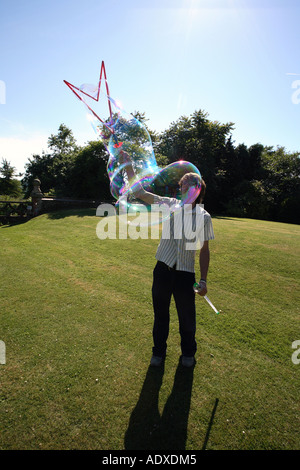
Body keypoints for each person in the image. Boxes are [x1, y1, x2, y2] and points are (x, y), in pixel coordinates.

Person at [119, 151, 214, 367]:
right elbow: (140, 192)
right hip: (162, 270)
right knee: (160, 316)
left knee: (187, 320)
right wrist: (128, 166)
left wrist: (204, 280)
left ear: (198, 191)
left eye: (189, 186)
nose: (184, 189)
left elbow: (205, 250)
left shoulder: (204, 217)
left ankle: (188, 354)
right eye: (182, 186)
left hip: (185, 274)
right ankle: (158, 353)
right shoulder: (169, 205)